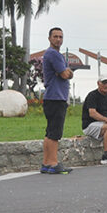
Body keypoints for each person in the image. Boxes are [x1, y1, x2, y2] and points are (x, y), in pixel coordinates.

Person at [40, 27, 73, 174]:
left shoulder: (52, 54)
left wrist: (66, 71)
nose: (58, 39)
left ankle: (46, 163)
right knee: (55, 133)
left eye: (60, 37)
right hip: (56, 98)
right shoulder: (53, 54)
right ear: (49, 38)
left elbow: (64, 73)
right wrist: (69, 72)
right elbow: (65, 74)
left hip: (51, 97)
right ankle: (53, 163)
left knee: (50, 132)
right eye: (55, 37)